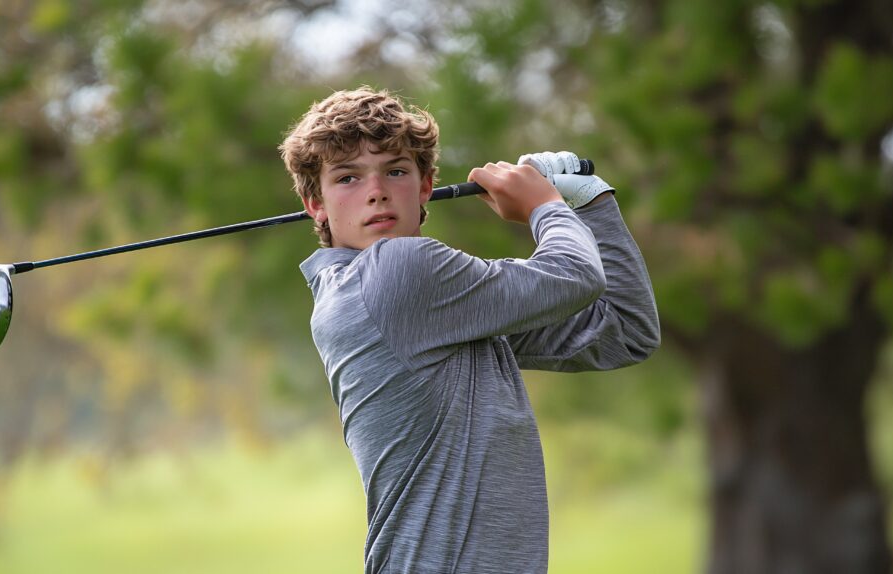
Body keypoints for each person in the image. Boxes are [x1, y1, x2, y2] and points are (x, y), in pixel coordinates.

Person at [279, 86, 660, 574]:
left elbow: (624, 330)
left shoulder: (423, 304)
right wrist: (546, 204)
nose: (375, 190)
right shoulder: (400, 271)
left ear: (424, 187)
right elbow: (577, 276)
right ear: (316, 205)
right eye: (348, 177)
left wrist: (593, 206)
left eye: (395, 171)